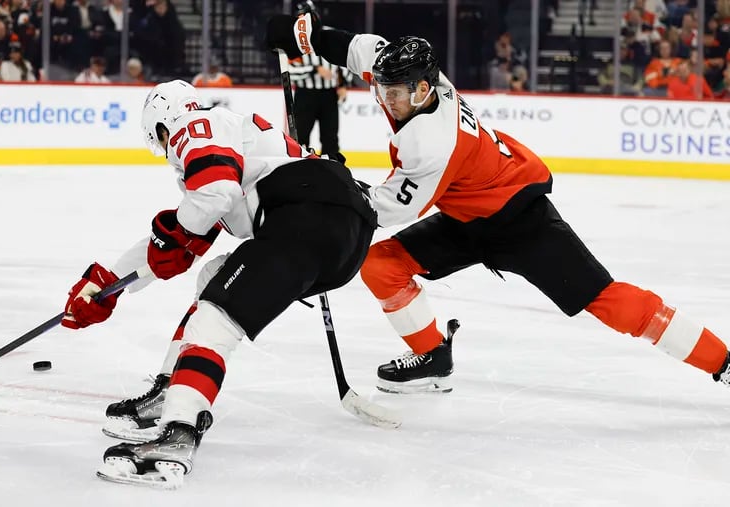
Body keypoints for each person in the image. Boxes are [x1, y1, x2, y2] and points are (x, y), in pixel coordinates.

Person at [265, 17, 730, 395]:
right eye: (384, 90)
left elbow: (385, 208)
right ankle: (432, 356)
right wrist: (304, 35)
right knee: (381, 265)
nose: (388, 100)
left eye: (398, 94)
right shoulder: (404, 77)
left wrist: (319, 192)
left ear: (426, 90)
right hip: (467, 217)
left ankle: (722, 361)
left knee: (604, 300)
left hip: (519, 221)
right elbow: (353, 48)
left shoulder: (433, 141)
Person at [61, 79, 376, 487]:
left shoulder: (197, 125)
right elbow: (182, 244)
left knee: (214, 321)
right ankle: (171, 389)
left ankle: (178, 433)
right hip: (342, 235)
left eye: (160, 136)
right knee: (215, 281)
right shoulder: (238, 145)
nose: (167, 148)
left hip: (306, 218)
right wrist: (107, 286)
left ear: (163, 121)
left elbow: (212, 195)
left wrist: (174, 232)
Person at [287, 0, 350, 161]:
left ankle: (333, 172)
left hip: (329, 95)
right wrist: (314, 69)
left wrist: (342, 84)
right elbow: (291, 73)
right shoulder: (293, 40)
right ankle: (300, 171)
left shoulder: (330, 33)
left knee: (330, 138)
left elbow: (345, 62)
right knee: (300, 137)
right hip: (304, 95)